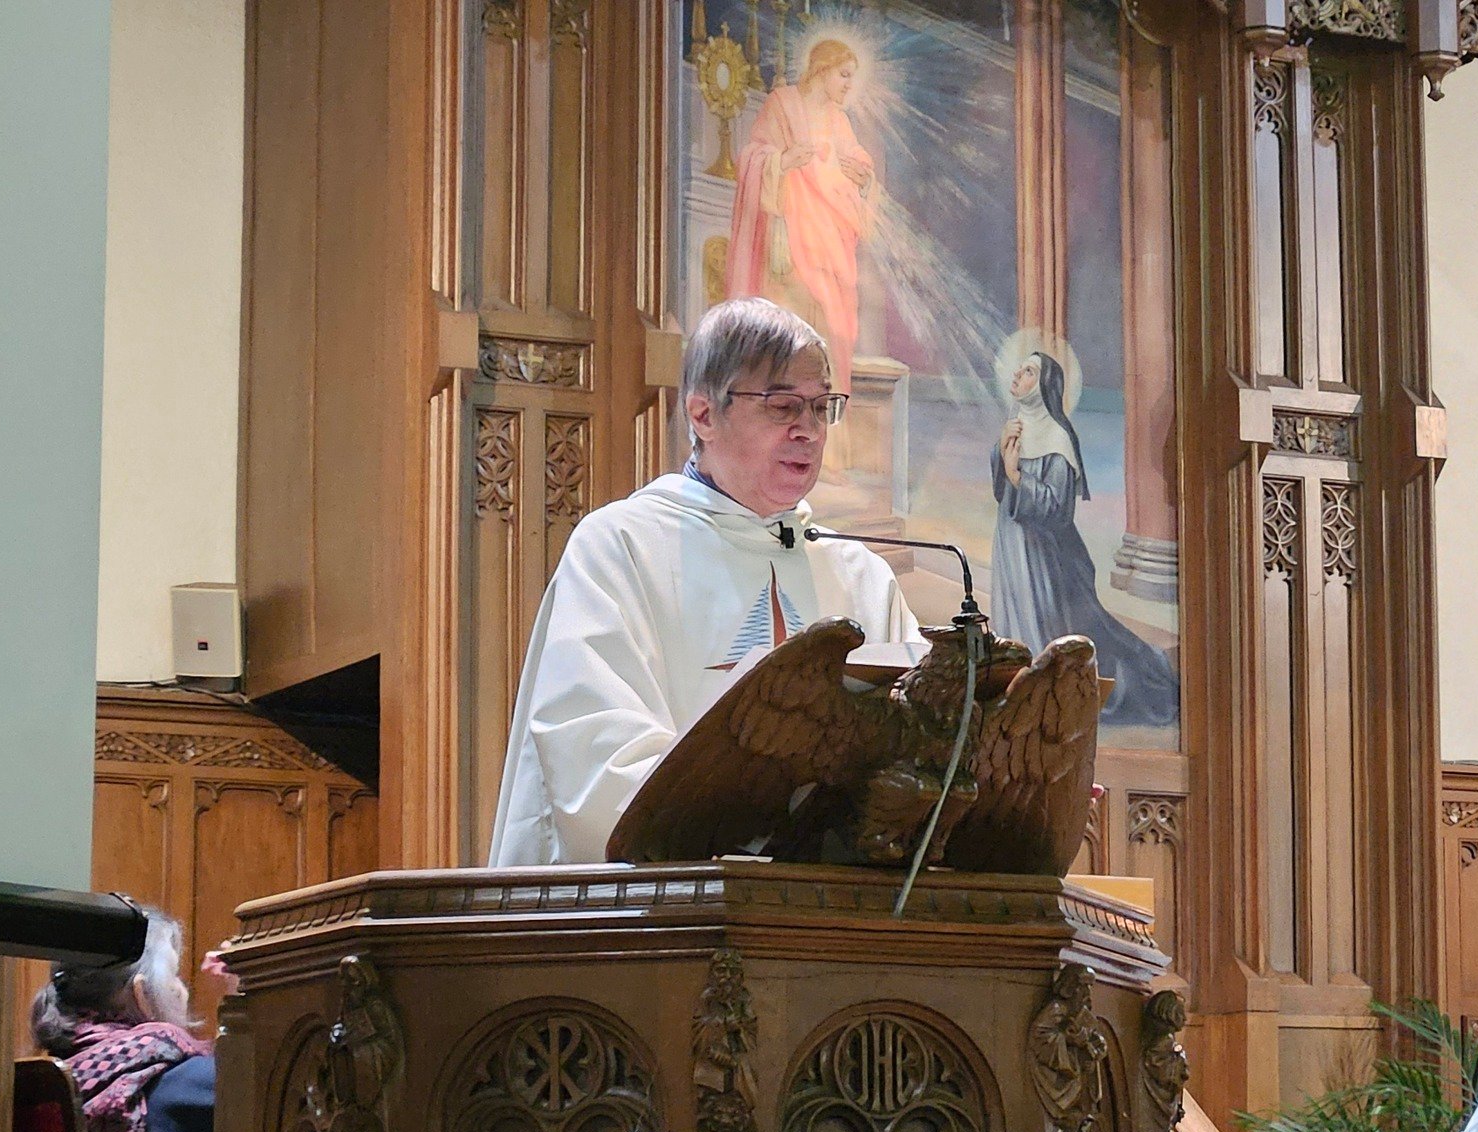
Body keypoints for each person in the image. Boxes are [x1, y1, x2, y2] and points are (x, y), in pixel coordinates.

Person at [489, 298, 920, 865]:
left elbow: (915, 738)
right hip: (667, 915)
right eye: (783, 406)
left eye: (821, 408)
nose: (809, 432)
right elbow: (594, 757)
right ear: (703, 415)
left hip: (832, 917)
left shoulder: (858, 573)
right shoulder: (621, 547)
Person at [992, 350, 1179, 727]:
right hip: (1012, 544)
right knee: (1014, 617)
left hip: (1042, 556)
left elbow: (1057, 511)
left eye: (1029, 371)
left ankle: (1047, 697)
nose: (1018, 375)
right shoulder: (1016, 427)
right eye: (1021, 369)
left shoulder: (1058, 440)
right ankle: (1015, 692)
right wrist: (1002, 456)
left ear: (1043, 386)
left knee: (1040, 623)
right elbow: (1002, 491)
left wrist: (1016, 476)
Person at [726, 38, 876, 391]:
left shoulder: (840, 121)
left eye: (851, 77)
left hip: (831, 245)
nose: (847, 85)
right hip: (791, 241)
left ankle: (827, 422)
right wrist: (782, 162)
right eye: (843, 75)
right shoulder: (783, 104)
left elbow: (859, 163)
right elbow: (753, 154)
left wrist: (864, 178)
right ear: (823, 69)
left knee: (827, 334)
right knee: (786, 334)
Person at [30, 907, 215, 1132]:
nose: (184, 989)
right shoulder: (198, 1084)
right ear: (143, 995)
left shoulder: (43, 1083)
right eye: (174, 975)